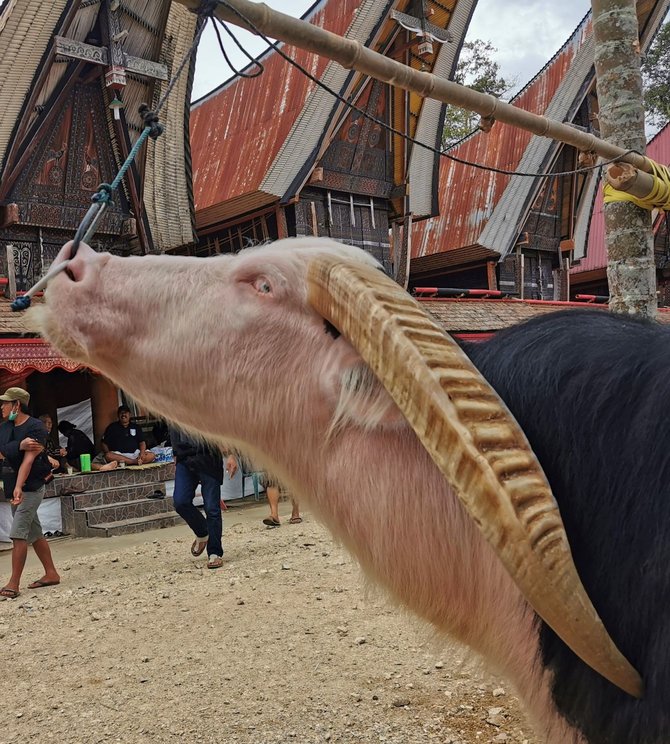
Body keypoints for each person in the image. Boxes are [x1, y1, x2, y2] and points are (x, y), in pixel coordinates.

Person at [0, 387, 60, 599]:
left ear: (17, 405)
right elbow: (2, 450)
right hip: (14, 487)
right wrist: (19, 445)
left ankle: (13, 583)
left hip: (31, 487)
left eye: (6, 403)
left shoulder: (36, 428)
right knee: (34, 533)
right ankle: (51, 573)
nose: (2, 407)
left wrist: (19, 486)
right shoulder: (5, 428)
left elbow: (28, 461)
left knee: (18, 533)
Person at [169, 426, 237, 569]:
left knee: (212, 508)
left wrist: (231, 454)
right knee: (180, 501)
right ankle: (202, 532)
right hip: (184, 457)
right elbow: (173, 429)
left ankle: (214, 553)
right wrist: (175, 454)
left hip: (209, 456)